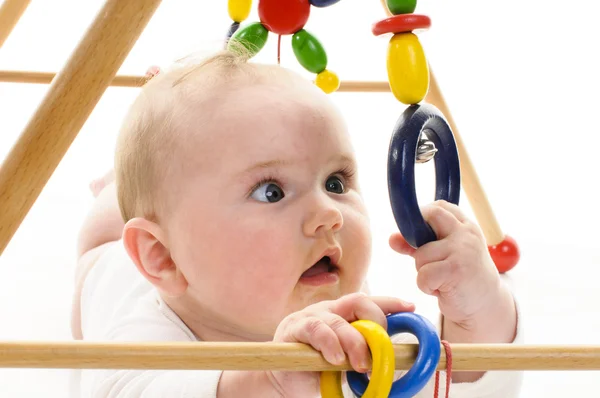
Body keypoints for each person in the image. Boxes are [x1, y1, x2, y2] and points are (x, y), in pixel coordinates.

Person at [70, 48, 523, 397]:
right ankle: (115, 188)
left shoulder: (355, 325)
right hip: (113, 271)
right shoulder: (145, 337)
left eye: (336, 182)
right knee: (104, 229)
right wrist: (263, 379)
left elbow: (461, 380)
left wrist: (478, 307)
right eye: (272, 191)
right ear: (163, 257)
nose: (328, 213)